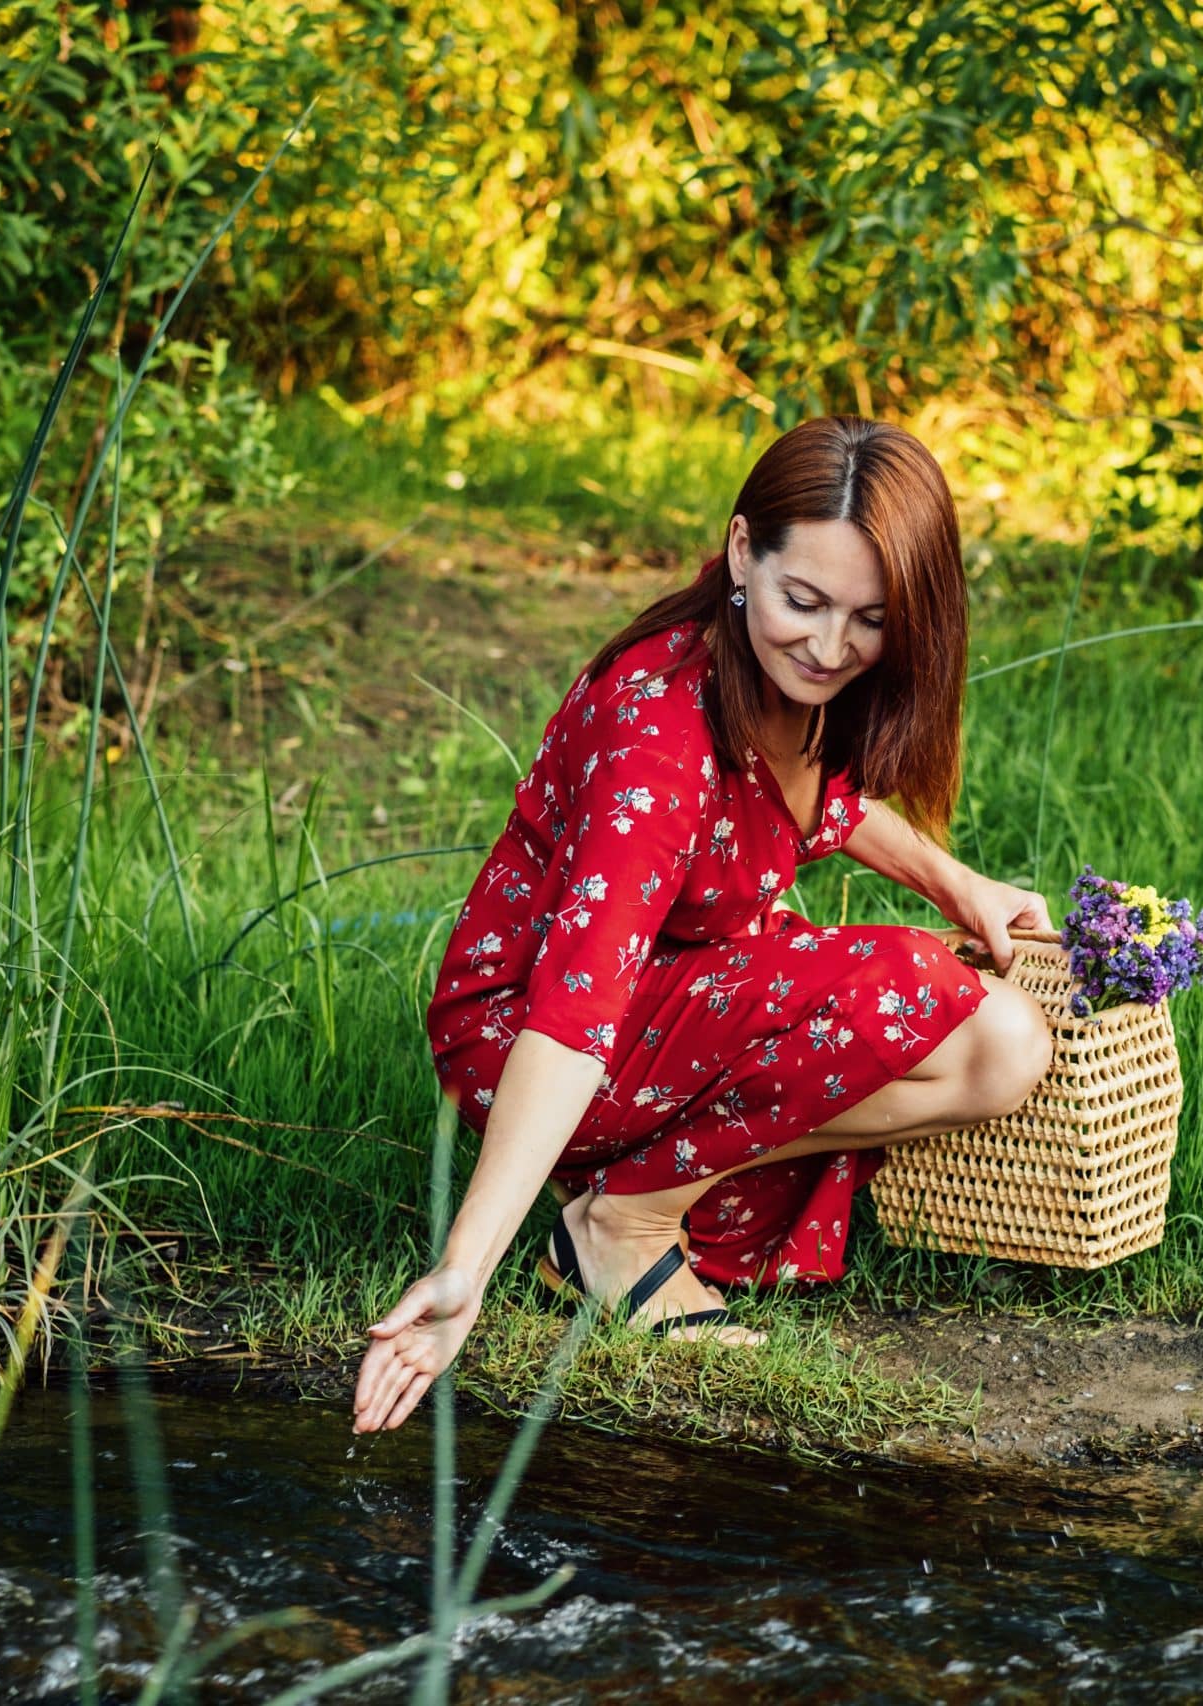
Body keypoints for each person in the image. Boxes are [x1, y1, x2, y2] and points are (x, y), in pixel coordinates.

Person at [351, 416, 1057, 1434]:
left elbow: (816, 799)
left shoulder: (790, 677)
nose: (828, 646)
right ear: (739, 552)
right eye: (802, 600)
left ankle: (635, 1199)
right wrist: (463, 1267)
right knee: (944, 1005)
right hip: (526, 1034)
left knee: (997, 1046)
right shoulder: (657, 733)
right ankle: (620, 1221)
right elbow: (572, 1010)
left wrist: (957, 885)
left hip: (676, 988)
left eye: (869, 617)